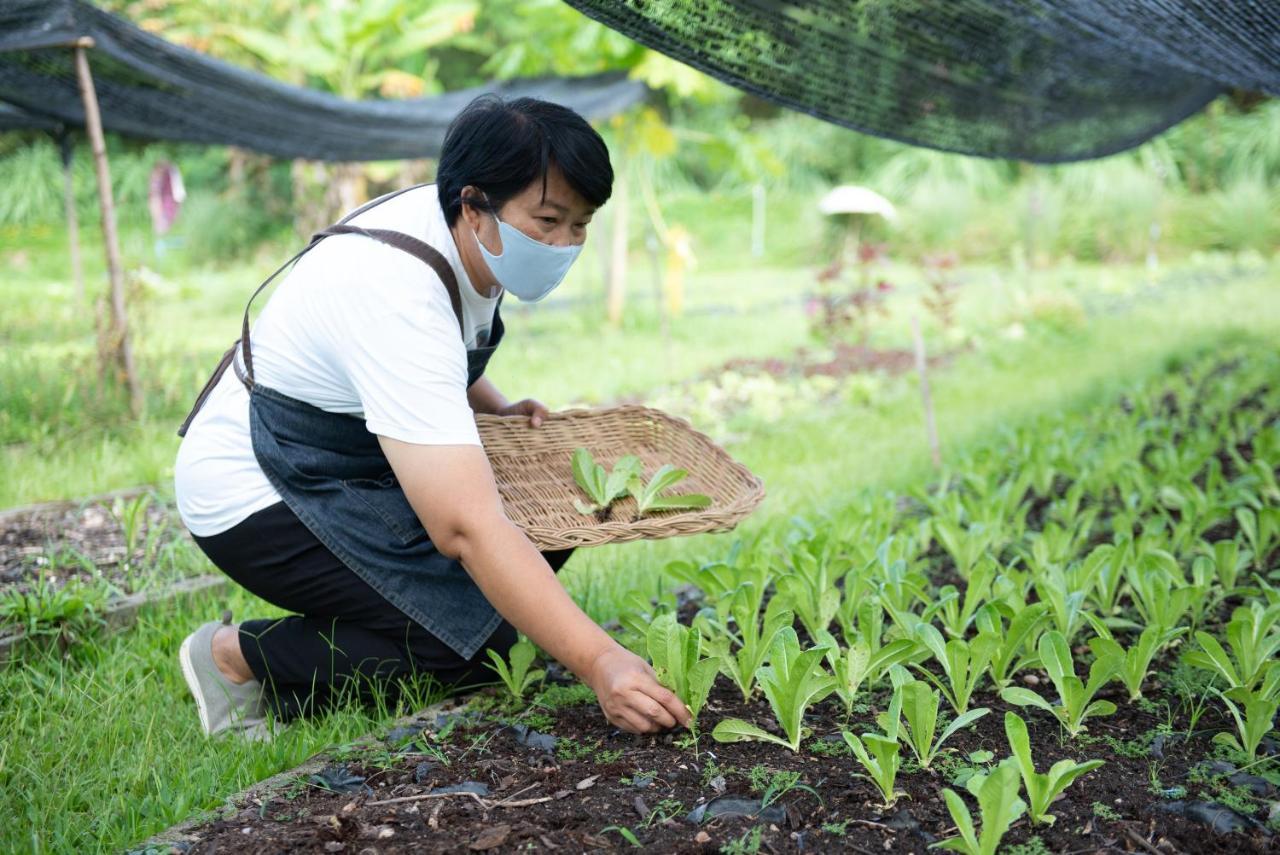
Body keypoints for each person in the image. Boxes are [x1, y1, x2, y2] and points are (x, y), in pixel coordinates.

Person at [173, 95, 691, 739]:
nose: (563, 244)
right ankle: (237, 657)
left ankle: (407, 631)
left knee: (541, 535)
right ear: (475, 205)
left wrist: (495, 407)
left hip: (352, 455)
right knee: (475, 646)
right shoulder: (395, 292)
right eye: (549, 219)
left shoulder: (462, 226)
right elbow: (465, 528)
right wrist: (600, 660)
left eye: (580, 225)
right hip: (257, 486)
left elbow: (443, 348)